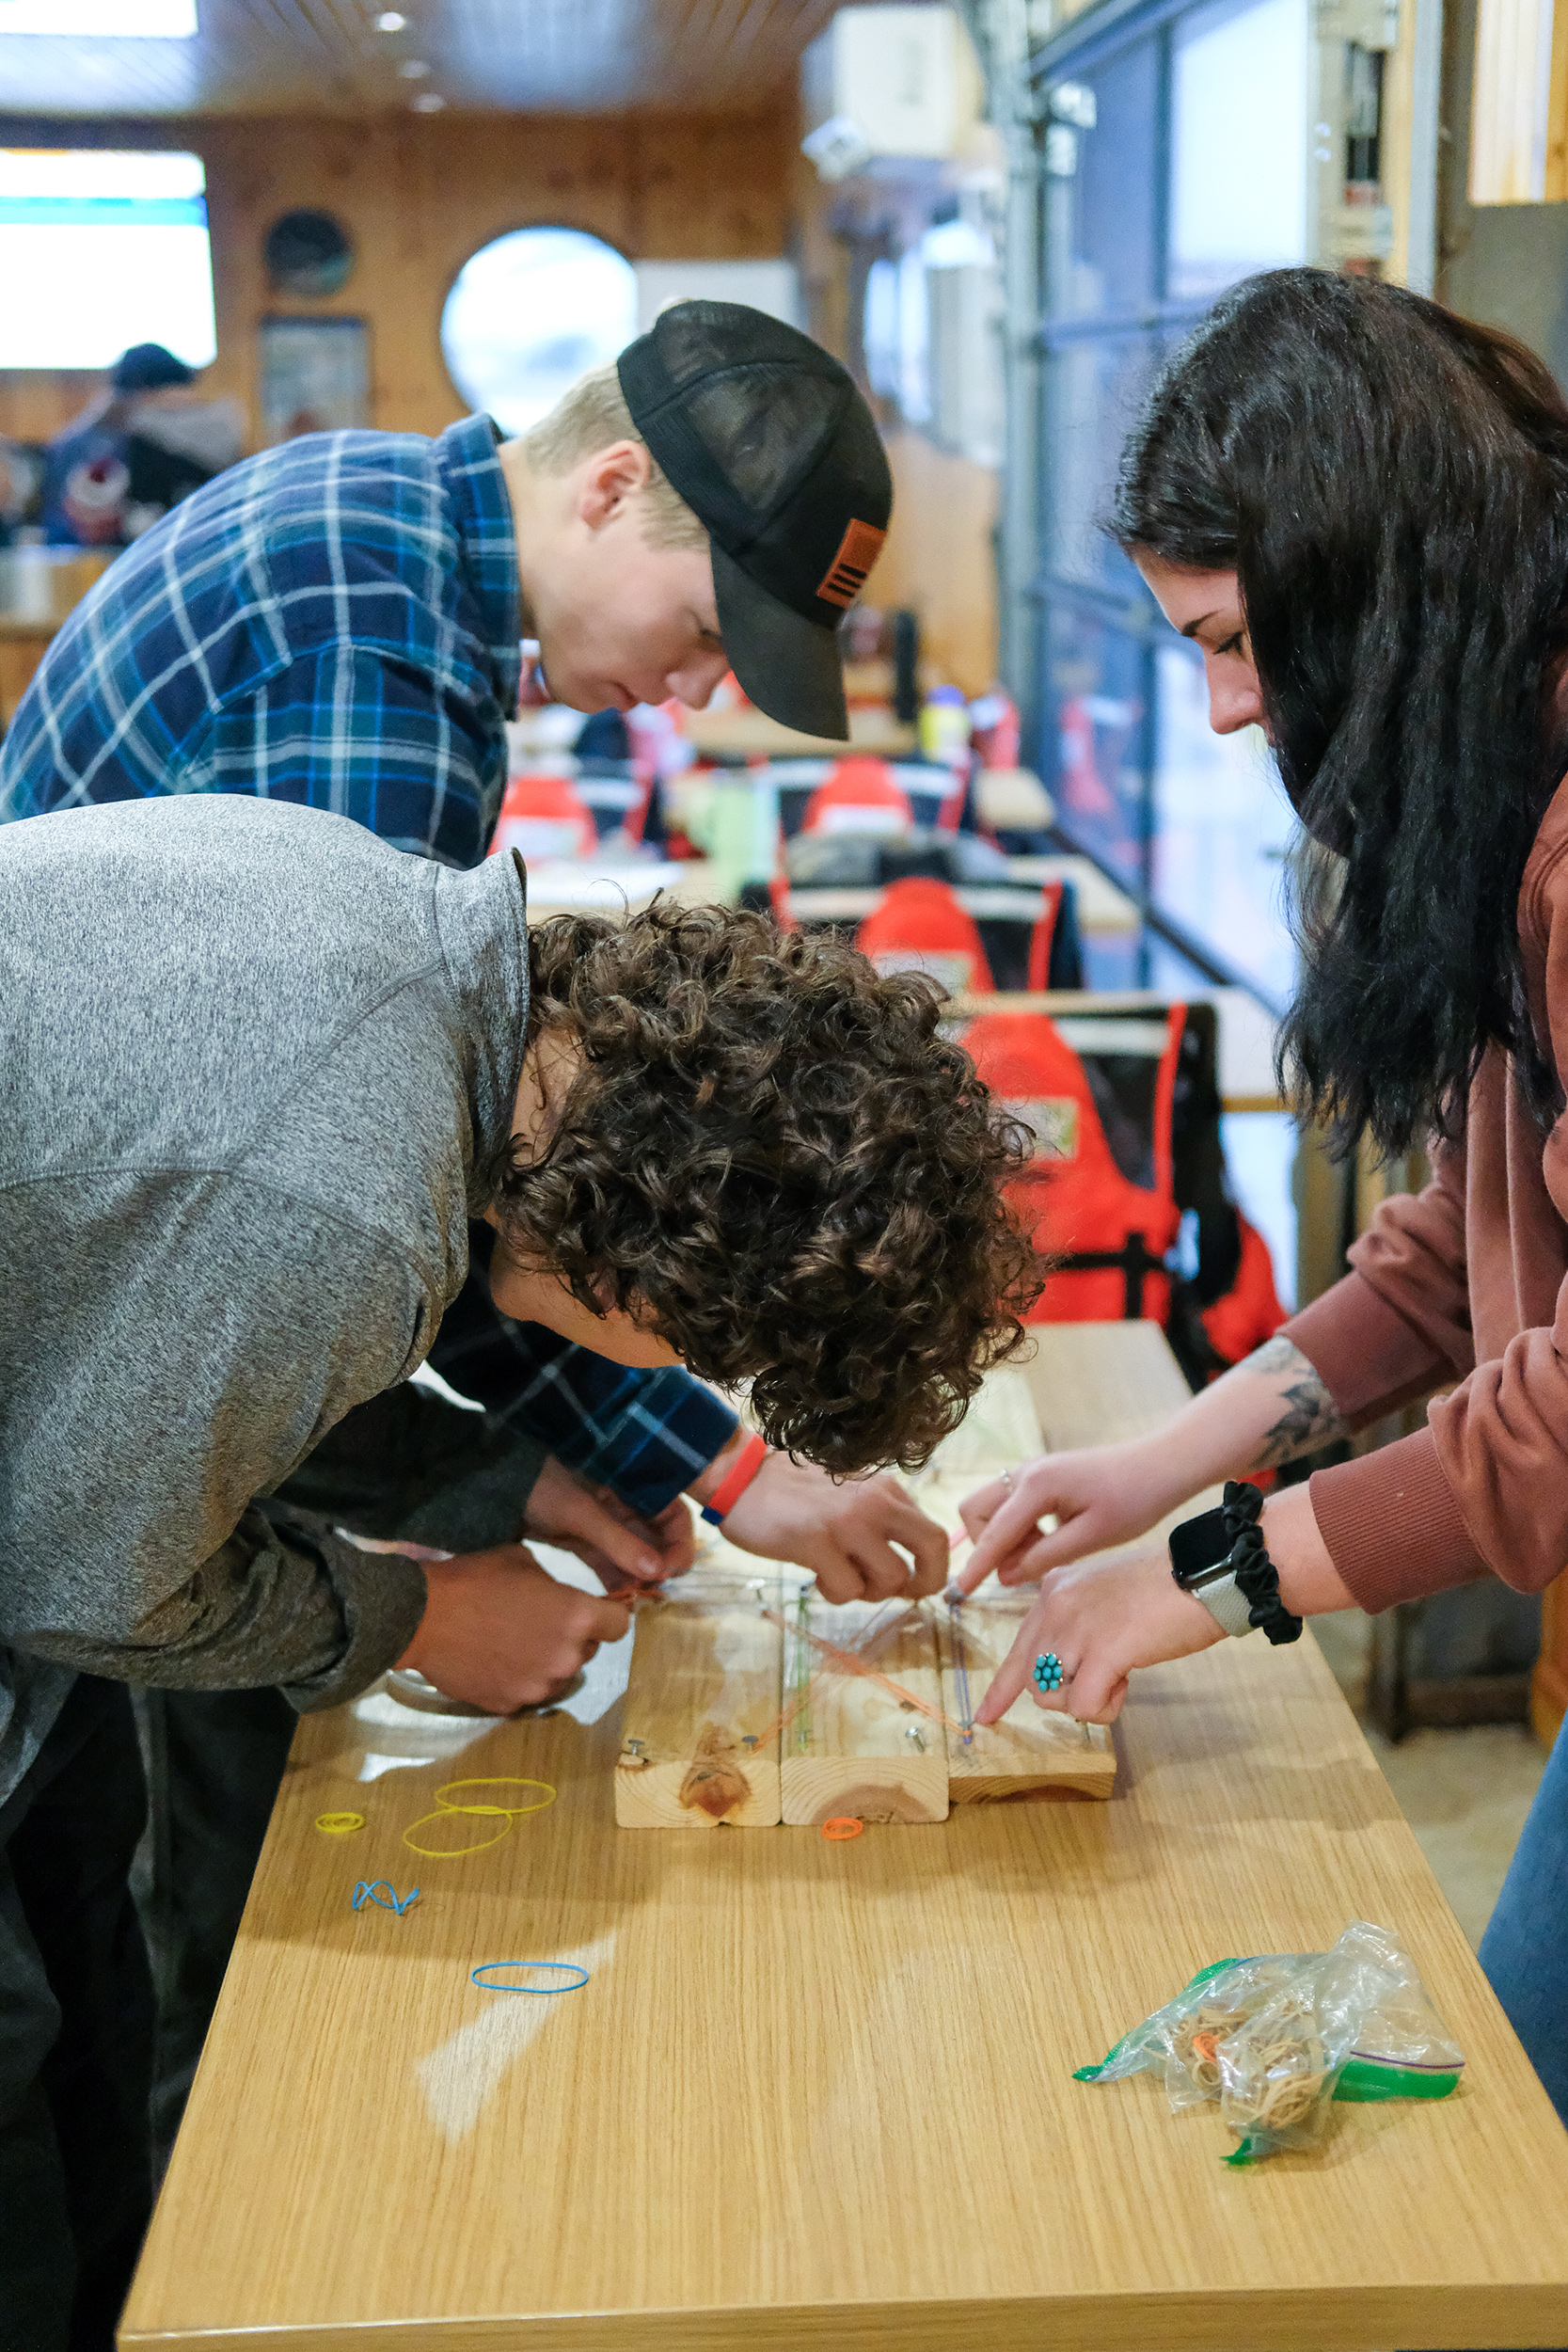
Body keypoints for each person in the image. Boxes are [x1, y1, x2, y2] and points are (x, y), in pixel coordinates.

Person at [2, 302, 961, 2184]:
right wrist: (425, 1589)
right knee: (88, 2063)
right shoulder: (374, 685)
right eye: (702, 639)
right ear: (609, 486)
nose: (694, 695)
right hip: (108, 1414)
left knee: (82, 2017)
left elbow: (463, 1179)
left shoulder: (378, 581)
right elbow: (361, 1252)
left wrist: (539, 1464)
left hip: (111, 1344)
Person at [0, 791, 1036, 2349]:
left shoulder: (413, 959)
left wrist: (509, 1477)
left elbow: (178, 1351)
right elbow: (83, 1577)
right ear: (646, 1266)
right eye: (697, 1344)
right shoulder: (345, 1208)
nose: (672, 1368)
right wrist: (414, 1616)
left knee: (72, 2016)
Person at [956, 266, 1568, 2140]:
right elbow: (1455, 1254)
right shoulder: (1496, 770)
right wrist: (1165, 1464)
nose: (1225, 713)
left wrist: (1219, 1572)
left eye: (1236, 644)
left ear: (1371, 596)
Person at [40, 342, 243, 548]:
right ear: (143, 392)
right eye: (172, 399)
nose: (186, 406)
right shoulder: (103, 443)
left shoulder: (88, 437)